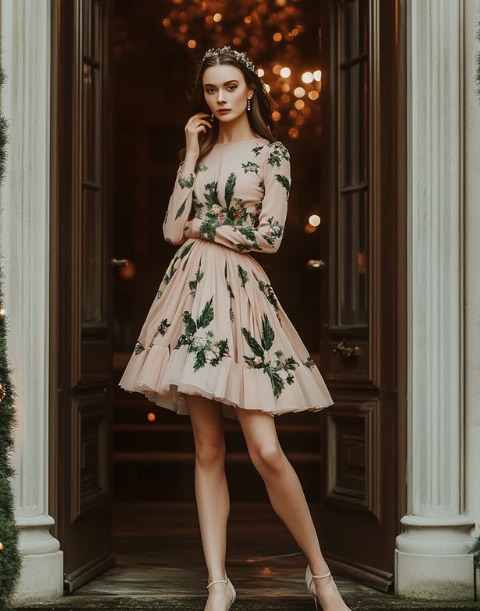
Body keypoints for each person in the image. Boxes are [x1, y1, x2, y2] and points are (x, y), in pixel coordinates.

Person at [120, 46, 352, 611]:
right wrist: (188, 159)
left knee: (266, 449)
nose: (219, 98)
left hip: (243, 299)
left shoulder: (273, 155)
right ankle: (218, 584)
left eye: (229, 87)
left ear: (251, 90)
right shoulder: (194, 154)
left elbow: (271, 237)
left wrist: (205, 221)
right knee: (206, 448)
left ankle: (320, 574)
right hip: (190, 295)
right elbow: (173, 230)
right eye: (210, 90)